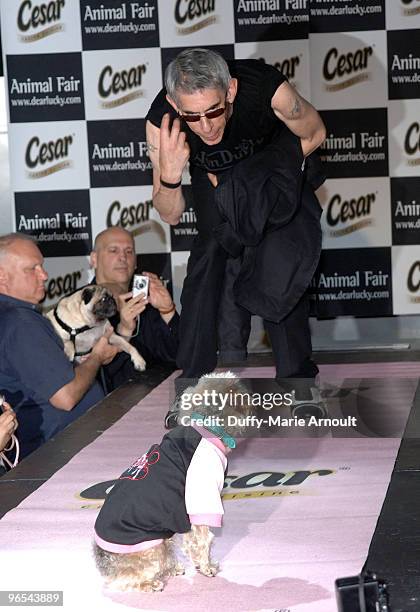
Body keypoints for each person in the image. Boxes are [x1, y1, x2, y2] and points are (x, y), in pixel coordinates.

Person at [145, 48, 326, 406]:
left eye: (214, 110)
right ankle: (193, 387)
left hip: (271, 168)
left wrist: (251, 184)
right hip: (213, 179)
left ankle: (299, 386)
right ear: (173, 102)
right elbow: (171, 214)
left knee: (279, 262)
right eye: (192, 116)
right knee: (206, 263)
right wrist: (168, 177)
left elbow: (316, 133)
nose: (206, 126)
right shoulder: (163, 123)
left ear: (231, 91)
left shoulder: (265, 88)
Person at [0, 233, 119, 458]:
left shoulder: (14, 317)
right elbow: (66, 397)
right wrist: (96, 357)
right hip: (60, 455)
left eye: (42, 266)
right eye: (31, 269)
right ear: (2, 276)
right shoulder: (20, 322)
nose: (44, 275)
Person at [90, 227, 179, 390]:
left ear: (136, 261)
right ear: (94, 259)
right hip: (109, 409)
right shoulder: (79, 307)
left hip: (157, 399)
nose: (123, 257)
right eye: (113, 250)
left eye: (129, 251)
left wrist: (168, 311)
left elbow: (179, 356)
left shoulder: (148, 300)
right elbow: (91, 377)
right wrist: (124, 331)